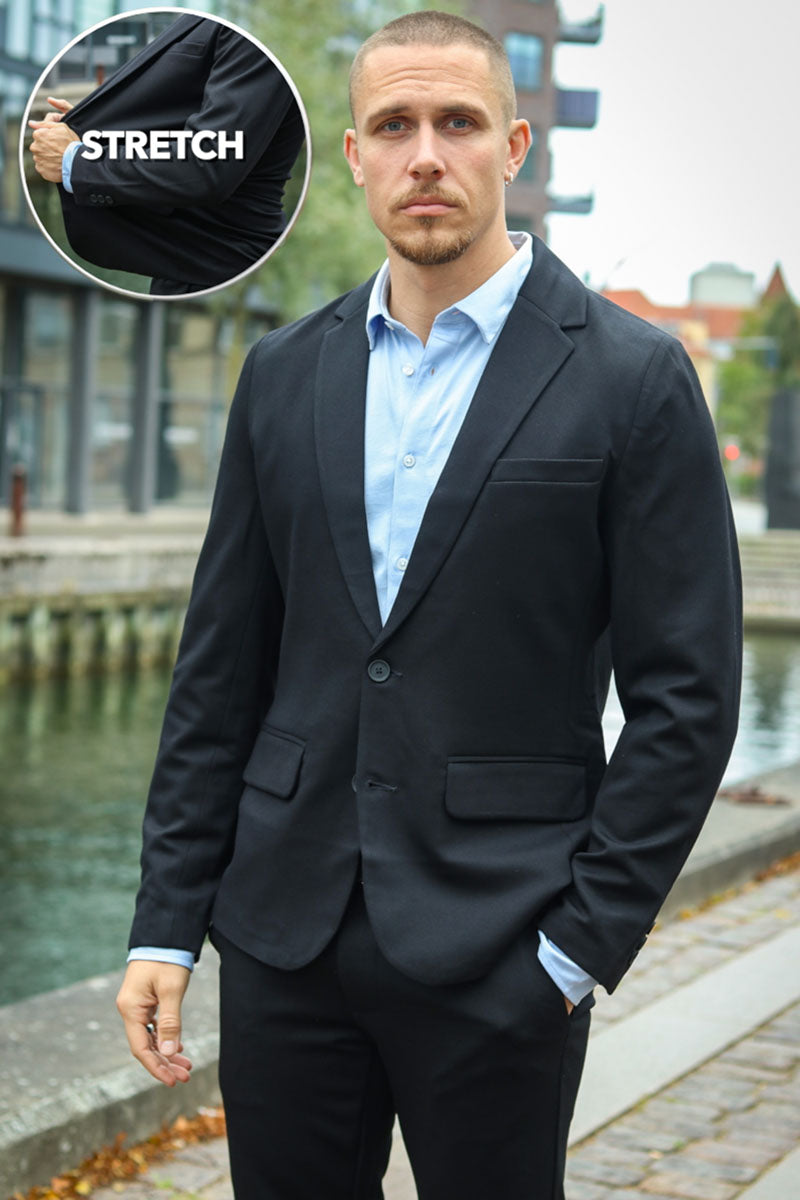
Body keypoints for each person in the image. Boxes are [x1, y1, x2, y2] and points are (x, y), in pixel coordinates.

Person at [116, 11, 742, 1197]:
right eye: (394, 126)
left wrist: (575, 948)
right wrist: (167, 924)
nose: (425, 155)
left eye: (456, 123)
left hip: (504, 943)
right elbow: (220, 674)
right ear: (354, 156)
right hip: (283, 938)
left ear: (513, 146)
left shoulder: (632, 378)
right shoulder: (282, 373)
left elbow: (687, 699)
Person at [27, 13, 305, 294]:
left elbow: (207, 162)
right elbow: (177, 122)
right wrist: (93, 135)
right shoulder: (215, 23)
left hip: (220, 270)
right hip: (186, 269)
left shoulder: (255, 36)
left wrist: (76, 160)